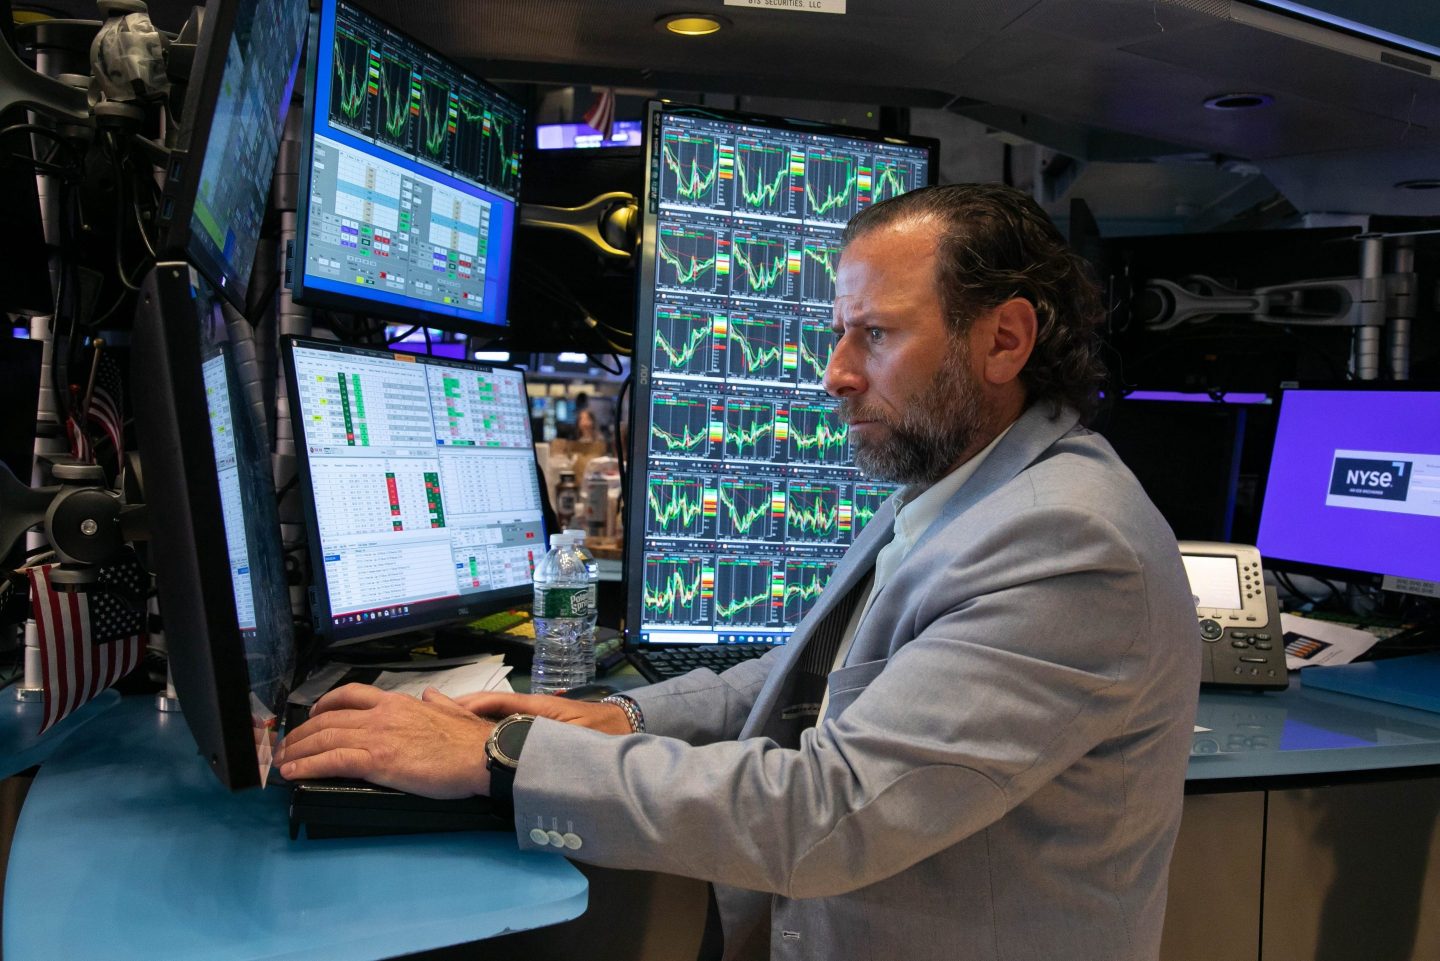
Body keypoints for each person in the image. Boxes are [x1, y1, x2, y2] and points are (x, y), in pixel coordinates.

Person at [277, 183, 1201, 961]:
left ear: (1005, 340)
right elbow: (817, 677)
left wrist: (501, 761)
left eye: (874, 334)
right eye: (839, 334)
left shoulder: (1070, 547)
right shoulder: (968, 482)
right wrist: (620, 716)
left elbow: (827, 814)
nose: (835, 375)